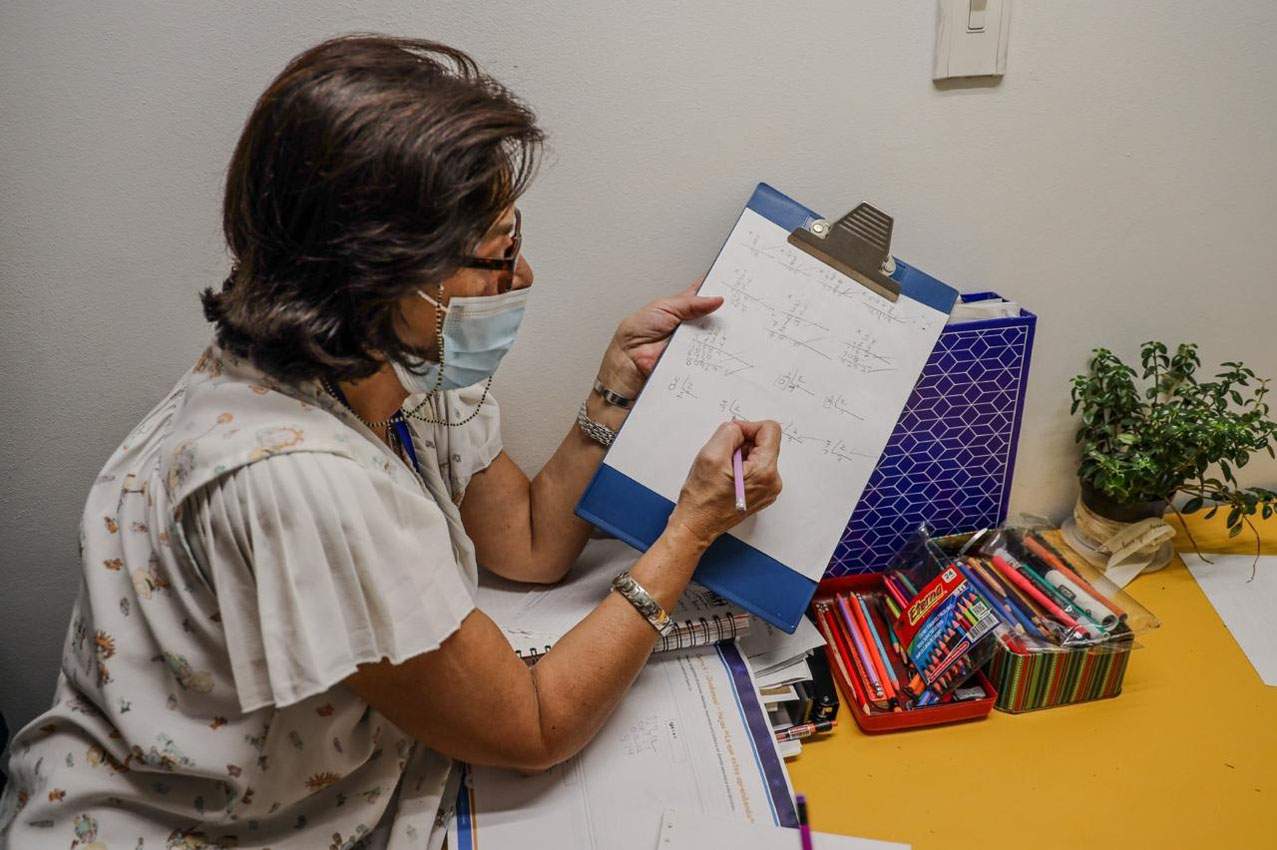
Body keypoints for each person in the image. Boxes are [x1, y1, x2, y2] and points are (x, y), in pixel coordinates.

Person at [0, 35, 782, 850]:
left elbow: (525, 545)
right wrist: (691, 530)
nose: (524, 277)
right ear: (387, 274)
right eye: (499, 252)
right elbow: (535, 726)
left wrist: (613, 387)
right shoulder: (299, 483)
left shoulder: (387, 367)